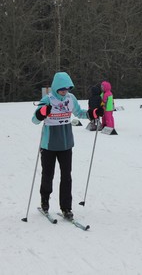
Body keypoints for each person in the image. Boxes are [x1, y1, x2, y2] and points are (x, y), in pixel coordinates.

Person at [32, 72, 103, 219]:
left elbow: (80, 113)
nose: (65, 92)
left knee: (66, 177)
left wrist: (94, 113)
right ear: (56, 87)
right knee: (48, 175)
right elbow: (35, 119)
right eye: (62, 89)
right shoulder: (48, 99)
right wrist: (43, 112)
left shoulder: (71, 99)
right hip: (49, 145)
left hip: (66, 145)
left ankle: (66, 208)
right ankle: (45, 200)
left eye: (67, 89)